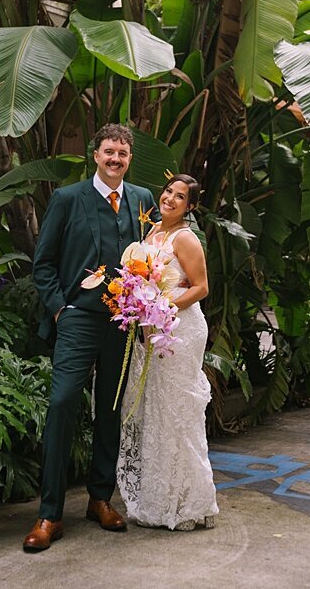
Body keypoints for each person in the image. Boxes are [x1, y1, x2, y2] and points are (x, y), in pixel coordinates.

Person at [23, 124, 158, 552]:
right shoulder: (67, 199)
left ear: (129, 158)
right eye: (108, 151)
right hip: (79, 317)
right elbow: (42, 262)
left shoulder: (142, 200)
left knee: (111, 410)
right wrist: (61, 307)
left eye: (123, 153)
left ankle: (101, 499)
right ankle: (49, 514)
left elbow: (153, 257)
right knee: (63, 403)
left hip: (123, 322)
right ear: (94, 155)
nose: (115, 159)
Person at [116, 174, 219, 531]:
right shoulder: (150, 235)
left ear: (189, 207)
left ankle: (189, 504)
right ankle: (159, 500)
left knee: (178, 412)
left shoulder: (185, 238)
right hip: (151, 332)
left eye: (180, 197)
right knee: (157, 411)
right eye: (168, 192)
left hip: (180, 331)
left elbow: (201, 287)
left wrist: (162, 305)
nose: (170, 199)